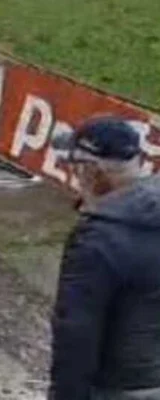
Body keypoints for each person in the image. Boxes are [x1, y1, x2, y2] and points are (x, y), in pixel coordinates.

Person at [49, 117, 160, 400]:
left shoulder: (97, 241)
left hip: (120, 386)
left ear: (92, 172)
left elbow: (76, 339)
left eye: (75, 167)